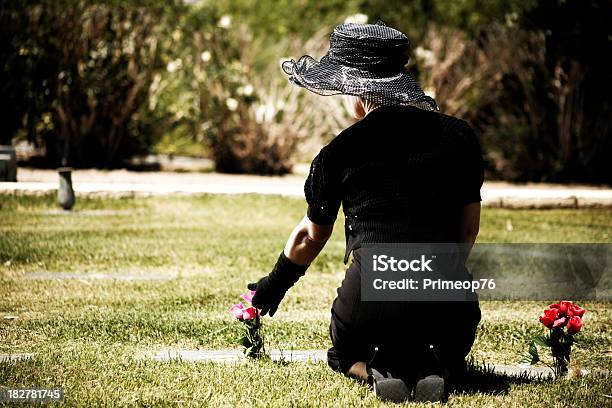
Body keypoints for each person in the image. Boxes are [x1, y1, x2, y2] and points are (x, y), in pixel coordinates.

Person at [248, 22, 483, 403]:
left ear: (357, 91)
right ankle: (438, 364)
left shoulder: (339, 153)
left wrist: (273, 285)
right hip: (445, 299)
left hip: (370, 298)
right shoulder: (459, 138)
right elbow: (468, 231)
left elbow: (310, 236)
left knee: (341, 354)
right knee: (449, 335)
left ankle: (371, 368)